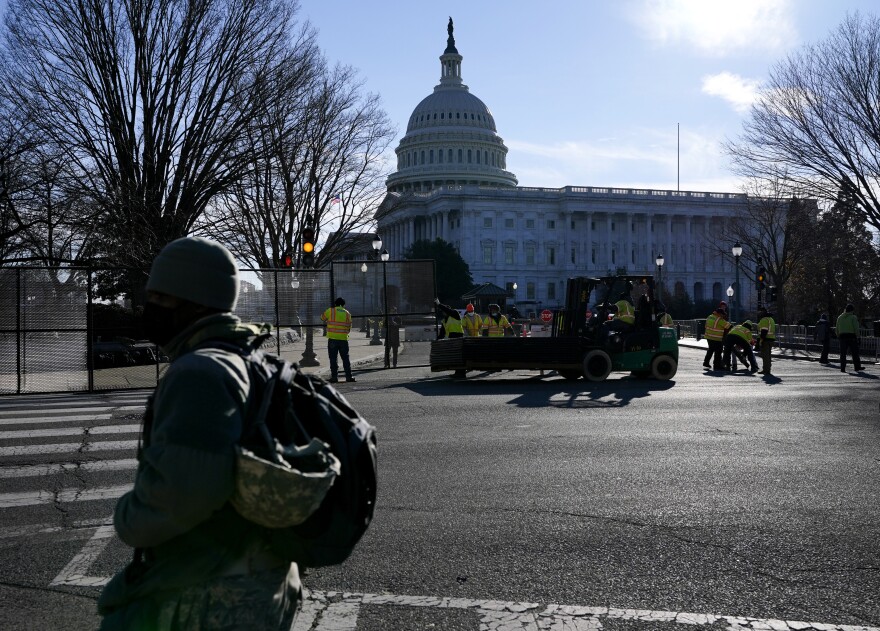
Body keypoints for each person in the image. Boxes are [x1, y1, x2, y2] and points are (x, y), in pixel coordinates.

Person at [97, 237, 301, 630]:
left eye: (159, 296)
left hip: (207, 594)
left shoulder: (198, 373)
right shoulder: (247, 358)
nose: (148, 306)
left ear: (192, 300)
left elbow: (183, 496)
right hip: (256, 579)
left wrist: (127, 514)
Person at [321, 297, 355, 383]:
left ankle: (334, 377)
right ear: (343, 305)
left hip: (332, 339)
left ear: (335, 304)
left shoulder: (331, 311)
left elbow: (322, 318)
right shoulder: (347, 313)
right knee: (345, 358)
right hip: (343, 339)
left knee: (333, 358)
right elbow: (349, 327)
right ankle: (349, 376)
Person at [836, 303, 863, 372]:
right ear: (852, 310)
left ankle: (842, 368)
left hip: (842, 337)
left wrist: (838, 336)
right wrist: (858, 337)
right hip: (852, 337)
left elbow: (837, 329)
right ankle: (857, 367)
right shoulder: (853, 317)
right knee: (855, 353)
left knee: (843, 354)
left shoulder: (839, 317)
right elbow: (856, 328)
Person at [703, 305, 730, 370]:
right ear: (719, 314)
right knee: (718, 352)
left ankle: (706, 362)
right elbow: (728, 326)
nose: (723, 316)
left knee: (711, 350)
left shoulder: (710, 317)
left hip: (708, 336)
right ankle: (717, 365)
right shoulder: (719, 319)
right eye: (722, 315)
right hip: (716, 338)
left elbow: (706, 326)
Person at [756, 307, 777, 375]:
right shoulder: (771, 319)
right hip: (771, 339)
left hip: (766, 340)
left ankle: (766, 370)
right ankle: (767, 369)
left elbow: (764, 331)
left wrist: (761, 341)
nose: (758, 313)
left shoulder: (764, 320)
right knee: (768, 355)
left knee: (765, 356)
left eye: (759, 312)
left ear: (762, 313)